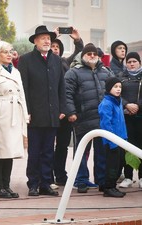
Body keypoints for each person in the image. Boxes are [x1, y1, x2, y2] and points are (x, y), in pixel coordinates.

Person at [18, 25, 66, 197]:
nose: (47, 41)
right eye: (43, 38)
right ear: (35, 41)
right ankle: (33, 183)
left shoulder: (57, 60)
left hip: (53, 114)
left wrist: (62, 108)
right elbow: (23, 88)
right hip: (35, 115)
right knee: (35, 151)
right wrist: (27, 111)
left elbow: (62, 86)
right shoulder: (26, 60)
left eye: (49, 39)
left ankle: (46, 183)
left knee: (48, 151)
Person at [65, 43, 113, 193]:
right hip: (82, 118)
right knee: (81, 151)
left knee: (102, 152)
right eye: (89, 53)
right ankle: (81, 180)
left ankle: (101, 181)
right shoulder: (73, 72)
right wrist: (71, 112)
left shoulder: (106, 72)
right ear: (83, 55)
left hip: (102, 119)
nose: (92, 56)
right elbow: (67, 94)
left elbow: (115, 92)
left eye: (94, 54)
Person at [0, 41, 29, 198]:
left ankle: (6, 185)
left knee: (10, 151)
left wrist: (25, 114)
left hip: (14, 113)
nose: (9, 54)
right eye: (5, 52)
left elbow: (21, 94)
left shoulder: (16, 72)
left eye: (11, 51)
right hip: (0, 113)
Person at [51, 27, 84, 186]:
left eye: (57, 47)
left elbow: (80, 51)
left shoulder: (64, 62)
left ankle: (60, 174)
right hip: (50, 111)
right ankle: (47, 176)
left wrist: (77, 39)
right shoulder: (41, 62)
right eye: (52, 46)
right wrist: (53, 36)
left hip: (64, 111)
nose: (54, 49)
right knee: (48, 146)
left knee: (63, 145)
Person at [98, 77, 127, 197]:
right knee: (112, 165)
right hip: (112, 141)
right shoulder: (106, 103)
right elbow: (106, 124)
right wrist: (112, 142)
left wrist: (124, 137)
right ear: (109, 88)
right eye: (115, 87)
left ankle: (110, 185)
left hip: (120, 139)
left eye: (120, 87)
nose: (118, 89)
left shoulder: (118, 101)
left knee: (119, 163)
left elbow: (121, 121)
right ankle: (109, 187)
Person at [118, 52, 142, 189]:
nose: (132, 64)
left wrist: (138, 106)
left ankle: (141, 177)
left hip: (140, 117)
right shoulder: (121, 78)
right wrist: (127, 104)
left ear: (139, 62)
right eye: (129, 62)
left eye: (134, 61)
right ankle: (128, 176)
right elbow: (116, 93)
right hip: (126, 117)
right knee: (127, 146)